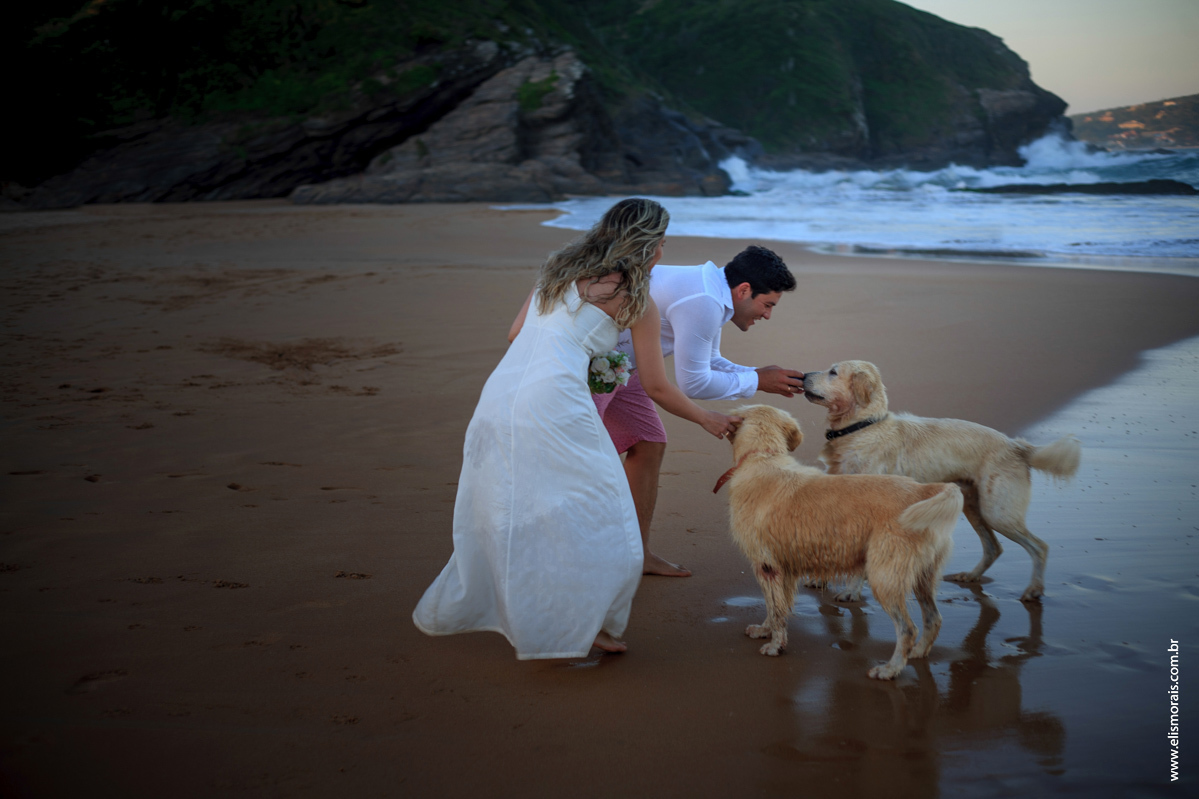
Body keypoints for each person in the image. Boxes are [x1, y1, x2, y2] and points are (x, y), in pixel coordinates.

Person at [413, 199, 738, 659]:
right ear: (648, 245)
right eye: (662, 242)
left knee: (525, 505)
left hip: (501, 396)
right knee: (601, 513)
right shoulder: (635, 300)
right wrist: (708, 418)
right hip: (555, 405)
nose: (663, 251)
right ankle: (580, 623)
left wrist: (580, 350)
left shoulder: (556, 274)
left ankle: (549, 614)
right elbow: (657, 386)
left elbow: (516, 334)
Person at [595, 245, 804, 576]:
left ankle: (637, 553)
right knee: (577, 461)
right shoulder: (705, 300)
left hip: (624, 366)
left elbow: (709, 361)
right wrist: (757, 381)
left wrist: (759, 375)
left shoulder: (713, 290)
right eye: (767, 305)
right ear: (744, 290)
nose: (767, 315)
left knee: (648, 442)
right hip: (593, 365)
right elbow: (693, 383)